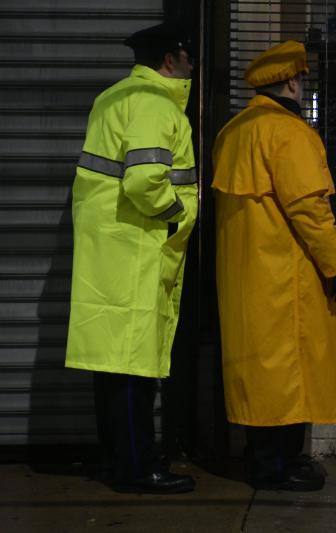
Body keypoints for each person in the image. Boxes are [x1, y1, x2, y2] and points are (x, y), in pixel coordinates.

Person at [64, 21, 198, 494]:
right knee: (132, 371)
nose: (191, 64)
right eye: (187, 55)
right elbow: (145, 181)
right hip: (138, 250)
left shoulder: (114, 97)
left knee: (113, 370)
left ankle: (117, 461)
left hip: (113, 250)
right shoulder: (153, 104)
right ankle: (139, 469)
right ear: (170, 59)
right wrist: (175, 214)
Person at [212, 40, 336, 492]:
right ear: (291, 81)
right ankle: (278, 466)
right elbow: (310, 209)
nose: (304, 86)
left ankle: (261, 456)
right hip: (287, 277)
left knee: (259, 370)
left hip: (245, 279)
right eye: (303, 79)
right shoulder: (290, 133)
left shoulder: (233, 131)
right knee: (290, 372)